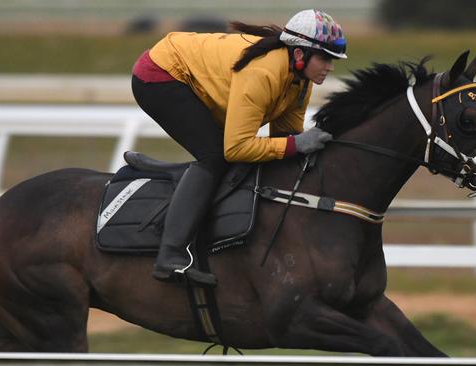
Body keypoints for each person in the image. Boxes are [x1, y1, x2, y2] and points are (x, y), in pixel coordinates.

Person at [131, 9, 347, 286]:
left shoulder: (300, 82)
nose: (329, 66)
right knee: (215, 157)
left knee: (251, 156)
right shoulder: (264, 73)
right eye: (325, 58)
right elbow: (236, 148)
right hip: (160, 74)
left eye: (333, 60)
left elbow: (286, 139)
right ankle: (169, 255)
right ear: (298, 54)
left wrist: (299, 145)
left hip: (195, 78)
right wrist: (295, 144)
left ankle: (187, 186)